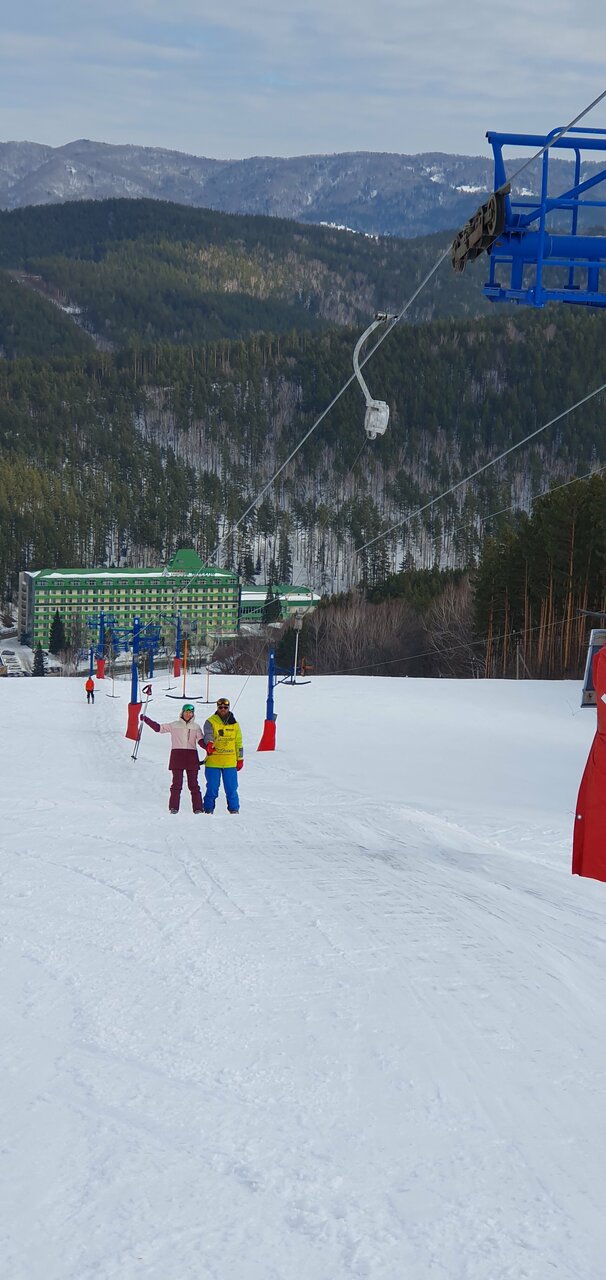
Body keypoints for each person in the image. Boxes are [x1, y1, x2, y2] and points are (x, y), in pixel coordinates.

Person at [141, 702, 205, 814]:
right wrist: (146, 719)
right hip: (177, 757)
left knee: (194, 785)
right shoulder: (174, 725)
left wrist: (209, 748)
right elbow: (159, 728)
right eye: (186, 712)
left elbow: (201, 741)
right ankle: (173, 808)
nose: (188, 714)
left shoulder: (196, 727)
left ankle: (198, 808)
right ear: (182, 713)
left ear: (193, 714)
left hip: (191, 757)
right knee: (176, 784)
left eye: (190, 712)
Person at [202, 697, 244, 814]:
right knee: (212, 788)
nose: (223, 709)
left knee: (231, 788)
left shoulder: (234, 724)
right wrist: (209, 744)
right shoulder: (210, 721)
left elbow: (238, 742)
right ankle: (208, 809)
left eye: (225, 707)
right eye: (220, 707)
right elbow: (208, 735)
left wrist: (240, 759)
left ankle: (234, 810)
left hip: (230, 762)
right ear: (217, 708)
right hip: (213, 761)